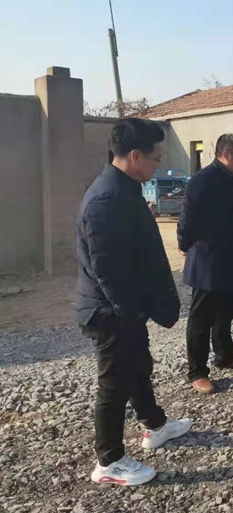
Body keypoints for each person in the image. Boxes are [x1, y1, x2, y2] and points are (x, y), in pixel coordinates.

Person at [75, 118, 193, 486]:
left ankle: (155, 426)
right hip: (109, 311)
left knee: (138, 366)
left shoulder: (123, 189)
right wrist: (129, 313)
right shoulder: (106, 199)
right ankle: (109, 462)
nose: (159, 165)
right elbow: (107, 270)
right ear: (136, 156)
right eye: (157, 158)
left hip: (124, 308)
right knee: (114, 384)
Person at [178, 133, 233, 395]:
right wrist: (184, 243)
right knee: (201, 318)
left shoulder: (231, 180)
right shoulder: (203, 181)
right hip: (208, 260)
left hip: (229, 258)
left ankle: (225, 355)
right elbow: (188, 218)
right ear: (226, 155)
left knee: (226, 311)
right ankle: (197, 372)